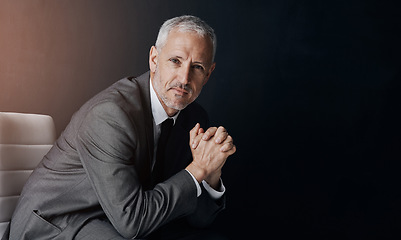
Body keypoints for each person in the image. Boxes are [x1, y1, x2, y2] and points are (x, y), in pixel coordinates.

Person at [4, 15, 236, 240]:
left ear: (208, 74)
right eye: (175, 61)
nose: (184, 78)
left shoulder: (194, 118)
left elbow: (198, 220)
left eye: (196, 67)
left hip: (121, 220)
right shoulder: (110, 115)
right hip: (57, 224)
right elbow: (132, 222)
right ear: (154, 59)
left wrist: (212, 171)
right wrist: (198, 169)